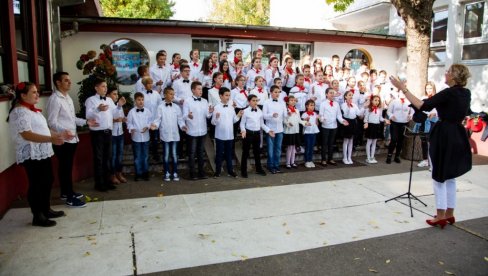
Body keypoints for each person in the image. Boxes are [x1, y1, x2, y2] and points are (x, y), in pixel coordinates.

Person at [390, 64, 472, 229]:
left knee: (438, 175)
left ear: (454, 77)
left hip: (444, 134)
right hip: (458, 133)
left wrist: (403, 89)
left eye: (448, 72)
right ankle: (449, 213)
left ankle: (440, 215)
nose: (445, 73)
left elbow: (422, 105)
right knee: (450, 176)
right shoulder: (466, 93)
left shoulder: (448, 93)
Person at [8, 82, 67, 226]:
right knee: (37, 184)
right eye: (33, 92)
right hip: (31, 153)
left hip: (42, 151)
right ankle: (37, 215)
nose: (37, 95)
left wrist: (58, 135)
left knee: (48, 180)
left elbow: (44, 129)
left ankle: (46, 209)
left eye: (37, 91)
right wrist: (51, 139)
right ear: (22, 95)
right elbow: (27, 134)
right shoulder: (19, 112)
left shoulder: (33, 110)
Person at [47, 72, 96, 207]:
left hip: (72, 138)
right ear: (58, 82)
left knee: (67, 168)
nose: (69, 82)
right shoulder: (54, 99)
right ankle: (69, 197)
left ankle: (66, 192)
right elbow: (51, 122)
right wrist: (64, 131)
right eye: (66, 80)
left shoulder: (67, 97)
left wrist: (86, 122)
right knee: (65, 168)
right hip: (63, 139)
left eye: (69, 80)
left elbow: (72, 118)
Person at [85, 78, 118, 192]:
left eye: (106, 86)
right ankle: (99, 183)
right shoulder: (91, 100)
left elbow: (114, 112)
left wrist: (119, 105)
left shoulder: (109, 99)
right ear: (96, 88)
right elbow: (88, 115)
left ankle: (107, 181)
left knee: (107, 158)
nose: (105, 89)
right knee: (99, 158)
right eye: (103, 86)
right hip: (97, 133)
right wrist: (98, 109)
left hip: (108, 132)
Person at [152, 87, 187, 182]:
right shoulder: (160, 107)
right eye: (170, 94)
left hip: (175, 134)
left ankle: (175, 172)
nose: (172, 96)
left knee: (175, 154)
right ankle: (167, 172)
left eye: (173, 94)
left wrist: (183, 126)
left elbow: (180, 119)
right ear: (165, 95)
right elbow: (157, 119)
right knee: (166, 154)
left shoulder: (176, 107)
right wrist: (155, 125)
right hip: (165, 134)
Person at [183, 81, 213, 180]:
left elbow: (207, 116)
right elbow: (184, 115)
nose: (201, 91)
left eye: (201, 89)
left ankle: (201, 172)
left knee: (200, 152)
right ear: (193, 90)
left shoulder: (205, 101)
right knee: (192, 153)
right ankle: (192, 173)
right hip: (192, 131)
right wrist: (189, 116)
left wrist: (210, 112)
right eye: (199, 89)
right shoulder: (187, 101)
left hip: (202, 131)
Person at [240, 94, 275, 178]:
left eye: (256, 100)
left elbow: (262, 124)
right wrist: (243, 131)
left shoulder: (259, 111)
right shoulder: (245, 111)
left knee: (257, 152)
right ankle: (243, 171)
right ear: (249, 102)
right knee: (245, 152)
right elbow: (242, 124)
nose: (255, 102)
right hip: (248, 134)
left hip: (257, 134)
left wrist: (268, 130)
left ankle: (258, 169)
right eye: (253, 100)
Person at [211, 87, 242, 178]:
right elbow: (213, 122)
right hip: (220, 135)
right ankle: (217, 171)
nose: (228, 97)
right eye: (226, 95)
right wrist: (216, 117)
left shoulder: (231, 107)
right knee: (219, 154)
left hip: (229, 135)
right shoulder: (216, 107)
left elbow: (234, 120)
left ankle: (230, 171)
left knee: (229, 154)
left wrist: (239, 115)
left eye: (229, 95)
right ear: (220, 96)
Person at [319, 88, 349, 166]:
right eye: (330, 93)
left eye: (333, 93)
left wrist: (342, 121)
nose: (332, 94)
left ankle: (330, 158)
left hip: (334, 126)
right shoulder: (323, 104)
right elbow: (321, 115)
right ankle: (323, 159)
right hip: (325, 126)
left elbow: (339, 115)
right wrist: (322, 119)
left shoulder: (336, 104)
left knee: (331, 143)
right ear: (326, 94)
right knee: (324, 143)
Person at [127, 92, 152, 181]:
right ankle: (138, 173)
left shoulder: (148, 111)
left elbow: (150, 121)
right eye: (139, 100)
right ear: (135, 101)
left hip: (145, 137)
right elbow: (129, 123)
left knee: (145, 156)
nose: (141, 102)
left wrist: (148, 127)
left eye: (142, 100)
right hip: (136, 137)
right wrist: (132, 128)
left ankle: (145, 173)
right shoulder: (131, 112)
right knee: (137, 157)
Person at [263, 85, 287, 174]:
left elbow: (285, 114)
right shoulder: (266, 102)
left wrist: (288, 114)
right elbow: (264, 116)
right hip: (271, 129)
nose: (277, 94)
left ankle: (276, 165)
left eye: (278, 92)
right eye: (275, 92)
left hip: (280, 129)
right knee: (270, 149)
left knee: (278, 149)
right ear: (271, 92)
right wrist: (271, 115)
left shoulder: (282, 102)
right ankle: (270, 166)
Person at [386, 90, 413, 164]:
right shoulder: (394, 101)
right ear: (399, 93)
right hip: (395, 123)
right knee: (394, 139)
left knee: (401, 141)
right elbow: (388, 111)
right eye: (401, 92)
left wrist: (410, 116)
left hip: (404, 123)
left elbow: (412, 111)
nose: (403, 94)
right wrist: (391, 116)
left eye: (404, 93)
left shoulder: (408, 102)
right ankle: (389, 155)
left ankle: (397, 156)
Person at [415, 82, 438, 168]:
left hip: (433, 122)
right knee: (424, 141)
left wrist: (434, 114)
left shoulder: (437, 97)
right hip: (424, 121)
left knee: (431, 142)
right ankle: (425, 160)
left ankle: (432, 162)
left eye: (430, 88)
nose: (428, 90)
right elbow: (420, 108)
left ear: (434, 89)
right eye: (427, 88)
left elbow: (438, 109)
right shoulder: (423, 98)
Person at [142, 77, 163, 161]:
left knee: (155, 138)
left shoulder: (156, 94)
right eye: (148, 83)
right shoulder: (141, 94)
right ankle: (146, 155)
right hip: (145, 121)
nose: (150, 85)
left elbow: (160, 105)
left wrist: (158, 118)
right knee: (146, 138)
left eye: (151, 83)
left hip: (155, 120)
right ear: (144, 85)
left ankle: (155, 154)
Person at [363, 95, 388, 164]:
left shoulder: (379, 109)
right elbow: (366, 118)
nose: (377, 102)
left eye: (378, 100)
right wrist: (366, 123)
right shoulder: (368, 109)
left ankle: (372, 156)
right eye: (375, 100)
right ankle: (368, 157)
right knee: (369, 142)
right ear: (371, 101)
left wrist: (385, 120)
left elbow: (380, 118)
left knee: (374, 142)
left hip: (377, 126)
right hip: (370, 126)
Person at [341, 90, 361, 165]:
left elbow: (358, 113)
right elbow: (345, 114)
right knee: (346, 140)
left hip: (353, 123)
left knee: (351, 141)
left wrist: (364, 108)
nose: (351, 96)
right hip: (347, 122)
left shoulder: (354, 105)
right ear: (345, 96)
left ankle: (349, 157)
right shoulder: (343, 105)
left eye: (352, 95)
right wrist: (348, 106)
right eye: (349, 95)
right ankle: (345, 157)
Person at [283, 95, 302, 169]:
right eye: (291, 100)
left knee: (294, 147)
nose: (293, 101)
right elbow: (284, 120)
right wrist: (288, 123)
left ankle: (292, 162)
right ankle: (287, 163)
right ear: (287, 102)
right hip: (289, 131)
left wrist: (305, 122)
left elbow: (299, 120)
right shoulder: (286, 110)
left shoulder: (297, 110)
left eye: (294, 100)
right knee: (290, 147)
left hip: (295, 131)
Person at [302, 100, 320, 168]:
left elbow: (317, 124)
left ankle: (310, 160)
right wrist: (306, 120)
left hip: (313, 132)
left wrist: (317, 119)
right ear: (307, 106)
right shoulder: (304, 114)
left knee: (312, 147)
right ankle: (306, 161)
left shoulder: (315, 114)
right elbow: (303, 124)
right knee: (308, 147)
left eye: (313, 105)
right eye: (311, 105)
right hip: (307, 132)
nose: (312, 107)